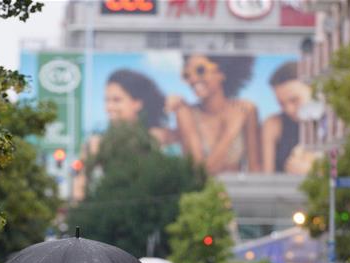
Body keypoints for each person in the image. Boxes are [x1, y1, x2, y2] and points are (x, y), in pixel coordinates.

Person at [74, 69, 172, 201]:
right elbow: (80, 185)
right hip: (109, 209)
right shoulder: (97, 143)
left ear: (137, 103)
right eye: (107, 100)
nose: (109, 107)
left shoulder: (158, 137)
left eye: (117, 100)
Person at [168, 54, 261, 174]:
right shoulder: (185, 112)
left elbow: (255, 168)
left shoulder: (246, 109)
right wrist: (230, 131)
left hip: (237, 190)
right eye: (187, 75)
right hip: (201, 191)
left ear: (222, 73)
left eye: (200, 70)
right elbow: (199, 173)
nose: (193, 79)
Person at [261, 61, 315, 175]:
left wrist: (313, 171)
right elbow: (267, 178)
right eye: (281, 104)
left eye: (294, 100)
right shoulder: (273, 125)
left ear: (312, 88)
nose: (289, 110)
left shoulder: (334, 122)